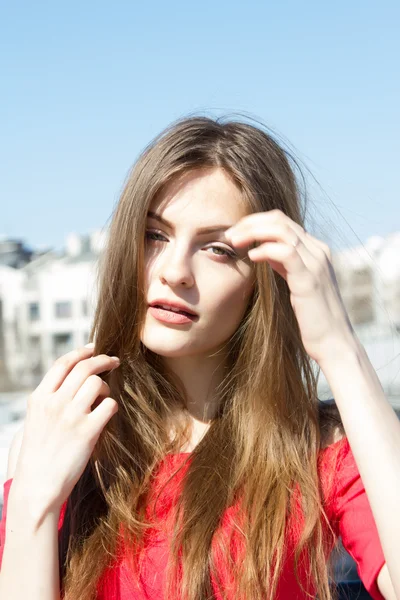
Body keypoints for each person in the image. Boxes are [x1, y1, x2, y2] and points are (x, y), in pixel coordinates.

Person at [0, 116, 398, 600]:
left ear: (264, 281)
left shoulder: (318, 448)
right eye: (154, 235)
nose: (174, 271)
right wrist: (33, 507)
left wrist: (340, 349)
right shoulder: (67, 438)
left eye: (217, 249)